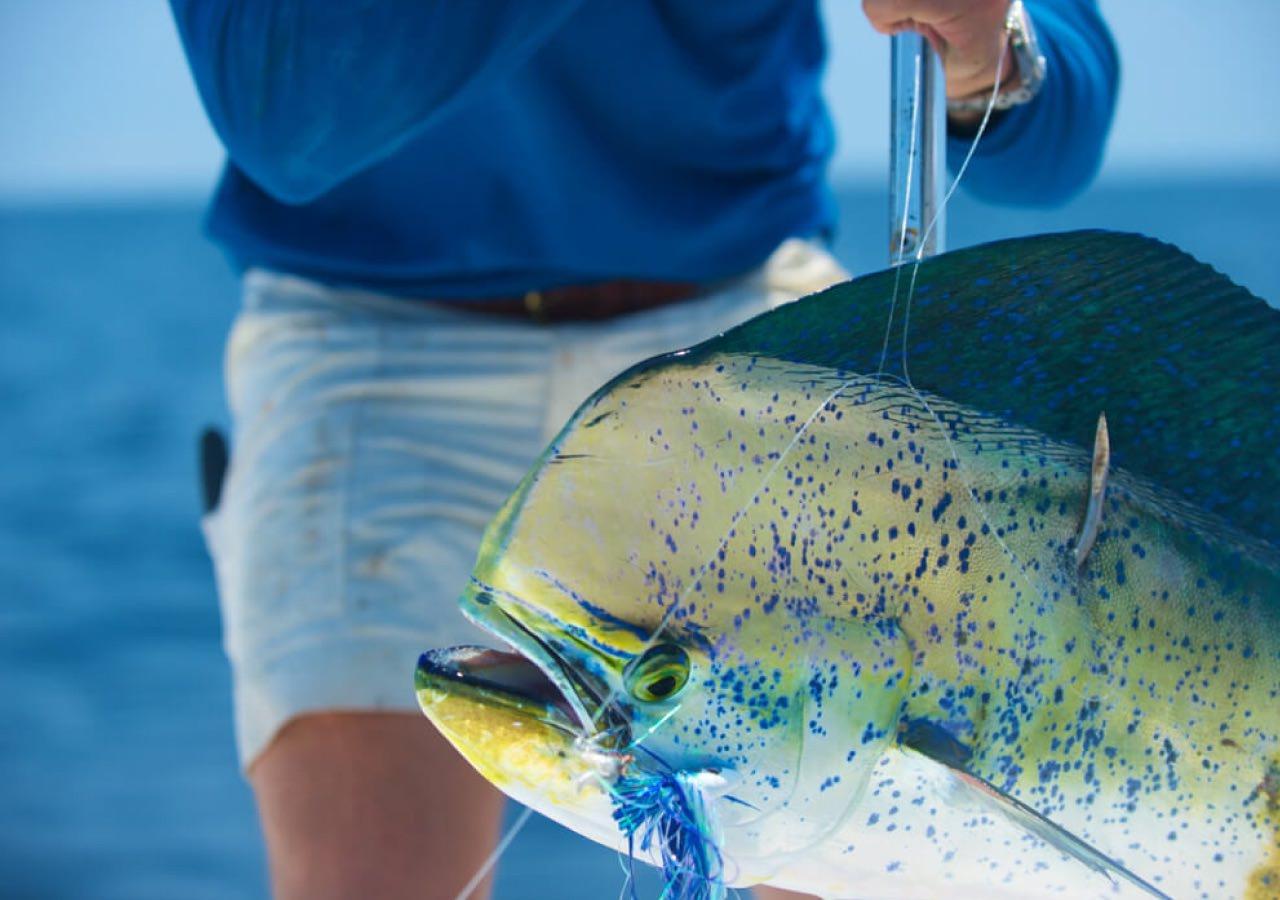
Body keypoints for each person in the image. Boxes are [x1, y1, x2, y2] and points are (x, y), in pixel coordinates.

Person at [171, 2, 1118, 897]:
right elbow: (283, 110)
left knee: (854, 848)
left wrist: (994, 55)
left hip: (739, 335)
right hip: (370, 338)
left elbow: (1056, 145)